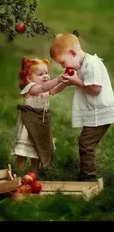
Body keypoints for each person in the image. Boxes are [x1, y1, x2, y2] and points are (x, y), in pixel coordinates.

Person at [49, 31, 114, 181]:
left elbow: (96, 88)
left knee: (86, 144)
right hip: (96, 112)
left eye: (63, 62)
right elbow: (66, 83)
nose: (63, 66)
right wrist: (50, 92)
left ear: (72, 53)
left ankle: (88, 177)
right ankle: (87, 175)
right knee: (86, 143)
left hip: (100, 112)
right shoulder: (83, 64)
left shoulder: (91, 64)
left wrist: (75, 81)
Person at [13, 57, 68, 172]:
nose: (46, 76)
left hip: (40, 123)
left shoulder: (44, 90)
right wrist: (58, 79)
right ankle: (19, 171)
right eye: (40, 74)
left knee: (38, 150)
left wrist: (65, 82)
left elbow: (55, 90)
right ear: (29, 78)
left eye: (47, 73)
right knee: (23, 151)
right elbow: (43, 88)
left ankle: (34, 173)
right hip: (29, 124)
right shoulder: (31, 88)